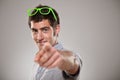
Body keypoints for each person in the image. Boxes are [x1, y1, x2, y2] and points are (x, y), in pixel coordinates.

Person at [27, 4, 82, 80]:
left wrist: (64, 58)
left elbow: (73, 62)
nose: (39, 37)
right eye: (35, 31)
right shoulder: (38, 61)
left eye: (45, 30)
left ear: (57, 29)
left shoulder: (64, 57)